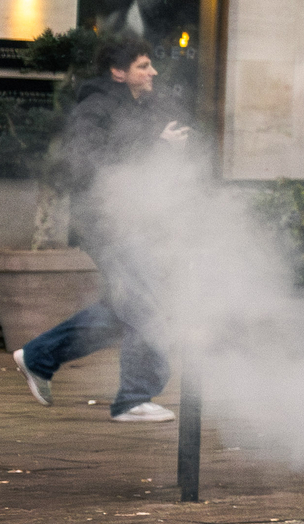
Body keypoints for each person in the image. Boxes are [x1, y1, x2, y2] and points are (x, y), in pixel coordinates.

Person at [12, 37, 192, 422]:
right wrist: (157, 143)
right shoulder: (96, 107)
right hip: (106, 223)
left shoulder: (134, 107)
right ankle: (132, 399)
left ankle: (40, 356)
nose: (153, 72)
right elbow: (90, 160)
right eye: (143, 65)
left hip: (129, 221)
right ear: (118, 72)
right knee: (145, 302)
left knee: (123, 308)